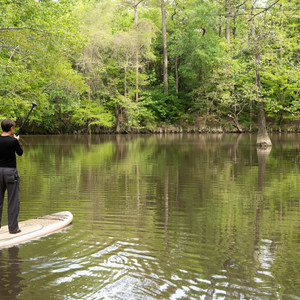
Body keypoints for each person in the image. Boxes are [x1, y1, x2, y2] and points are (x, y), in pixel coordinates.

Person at [0, 118, 23, 234]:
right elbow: (20, 153)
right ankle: (13, 229)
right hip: (10, 173)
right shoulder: (13, 142)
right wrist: (16, 141)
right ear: (11, 129)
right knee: (13, 201)